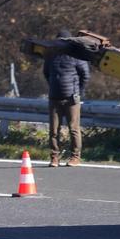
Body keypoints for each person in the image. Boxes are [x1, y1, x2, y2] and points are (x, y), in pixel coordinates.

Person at [44, 31, 90, 167]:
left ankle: (75, 157)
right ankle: (54, 158)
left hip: (72, 98)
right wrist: (53, 86)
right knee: (53, 130)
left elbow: (85, 76)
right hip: (54, 97)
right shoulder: (50, 56)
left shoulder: (77, 56)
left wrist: (78, 92)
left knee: (74, 129)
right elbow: (46, 73)